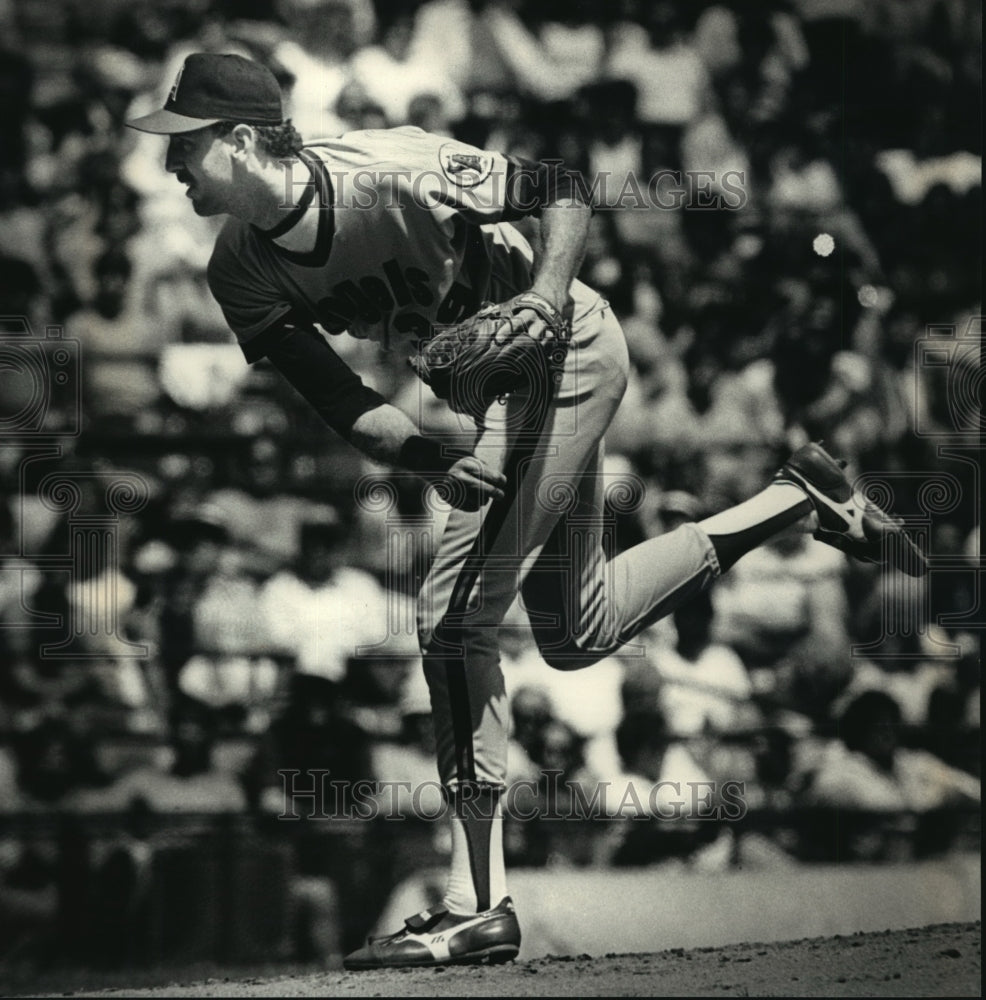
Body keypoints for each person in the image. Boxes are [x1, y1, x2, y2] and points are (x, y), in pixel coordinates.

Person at [127, 53, 925, 970]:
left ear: (237, 139)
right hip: (492, 400)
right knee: (576, 632)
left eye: (182, 145)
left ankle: (476, 902)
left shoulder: (387, 167)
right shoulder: (239, 264)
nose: (169, 165)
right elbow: (344, 404)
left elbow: (564, 187)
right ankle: (795, 498)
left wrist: (543, 298)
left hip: (566, 348)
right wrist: (436, 460)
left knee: (448, 617)